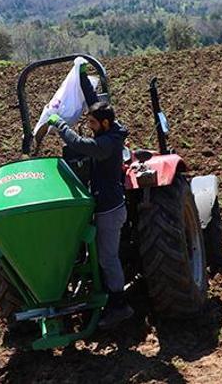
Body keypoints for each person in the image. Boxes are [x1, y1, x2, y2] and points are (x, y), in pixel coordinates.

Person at [47, 101, 134, 329]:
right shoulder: (109, 131)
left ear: (105, 123)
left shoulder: (108, 144)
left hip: (110, 210)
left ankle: (119, 305)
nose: (90, 126)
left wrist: (61, 125)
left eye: (93, 123)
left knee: (108, 258)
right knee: (96, 255)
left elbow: (79, 143)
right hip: (103, 206)